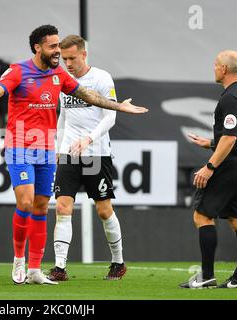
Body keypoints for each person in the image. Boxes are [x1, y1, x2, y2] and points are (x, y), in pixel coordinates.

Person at [0, 25, 147, 285]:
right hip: (19, 144)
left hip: (47, 149)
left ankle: (35, 269)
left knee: (42, 206)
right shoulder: (18, 71)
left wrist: (119, 107)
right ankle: (19, 260)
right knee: (26, 202)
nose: (58, 52)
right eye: (53, 47)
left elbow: (89, 95)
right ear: (37, 48)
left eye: (58, 46)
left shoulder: (59, 75)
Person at [48, 35, 141, 282]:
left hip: (96, 153)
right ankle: (59, 267)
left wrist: (88, 139)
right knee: (62, 206)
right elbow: (63, 117)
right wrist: (59, 147)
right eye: (64, 58)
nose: (67, 63)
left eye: (72, 58)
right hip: (69, 153)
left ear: (84, 54)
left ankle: (118, 263)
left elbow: (110, 115)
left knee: (103, 210)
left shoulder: (101, 78)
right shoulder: (62, 80)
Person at [179, 50, 237, 289]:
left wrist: (210, 166)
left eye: (215, 65)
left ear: (224, 69)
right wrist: (210, 142)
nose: (213, 68)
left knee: (202, 215)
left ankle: (207, 276)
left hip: (229, 165)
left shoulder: (229, 98)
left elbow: (231, 139)